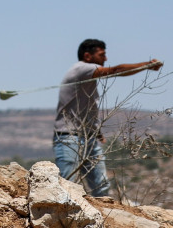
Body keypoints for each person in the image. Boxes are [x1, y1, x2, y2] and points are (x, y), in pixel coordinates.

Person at [52, 38, 162, 197]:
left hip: (88, 137)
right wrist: (147, 65)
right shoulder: (81, 68)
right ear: (88, 56)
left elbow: (83, 108)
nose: (106, 59)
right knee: (66, 186)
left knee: (101, 187)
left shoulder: (86, 75)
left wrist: (96, 131)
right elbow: (115, 70)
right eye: (102, 54)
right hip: (69, 138)